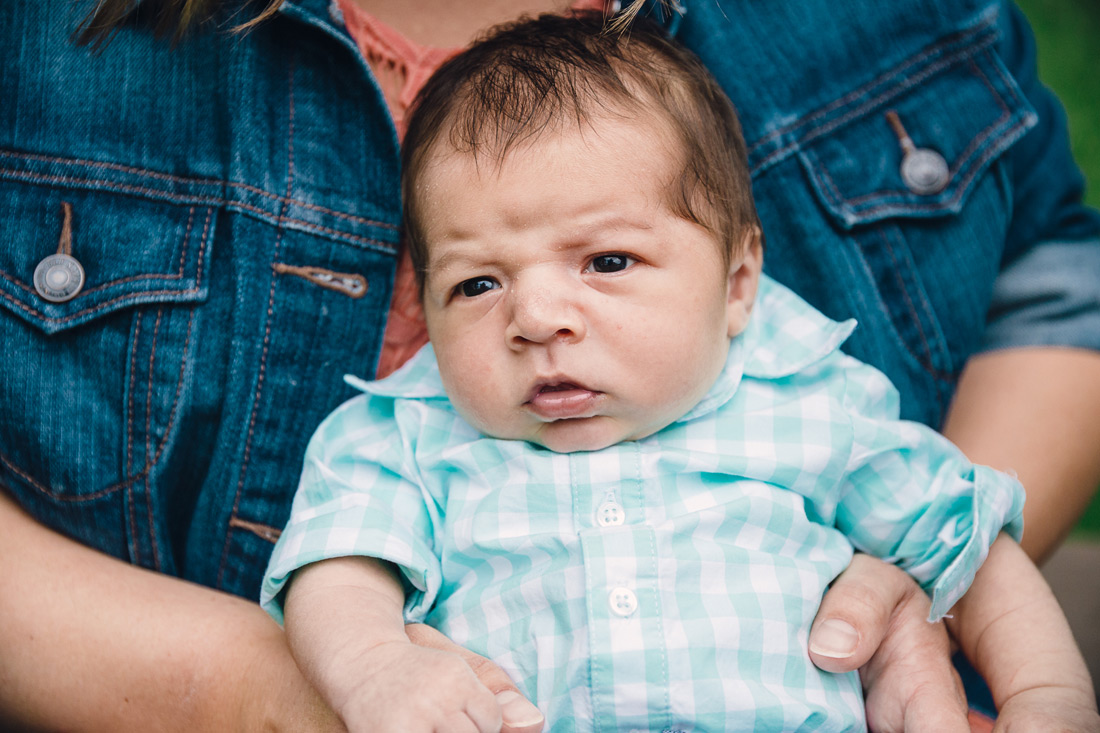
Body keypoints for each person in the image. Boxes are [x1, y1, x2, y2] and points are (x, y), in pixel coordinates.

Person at [2, 1, 1100, 731]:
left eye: (607, 262)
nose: (534, 316)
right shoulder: (409, 428)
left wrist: (1044, 691)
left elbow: (963, 535)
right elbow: (339, 566)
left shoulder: (797, 394)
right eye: (474, 285)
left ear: (735, 283)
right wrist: (372, 671)